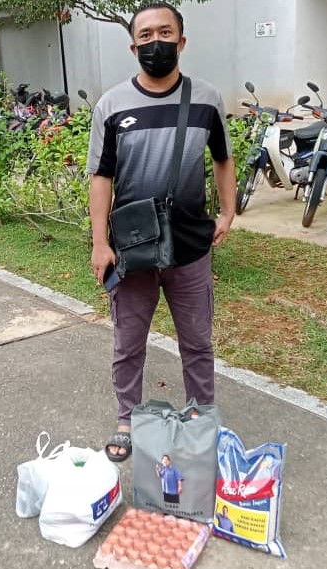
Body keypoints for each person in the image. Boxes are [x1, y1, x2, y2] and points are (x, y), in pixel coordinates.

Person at [87, 2, 236, 462]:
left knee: (197, 342)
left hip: (190, 246)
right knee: (128, 343)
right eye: (146, 36)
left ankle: (201, 418)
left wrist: (228, 211)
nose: (156, 43)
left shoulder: (206, 99)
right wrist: (100, 242)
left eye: (165, 33)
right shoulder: (112, 105)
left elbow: (223, 158)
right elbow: (100, 177)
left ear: (182, 41)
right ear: (133, 47)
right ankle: (126, 419)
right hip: (132, 250)